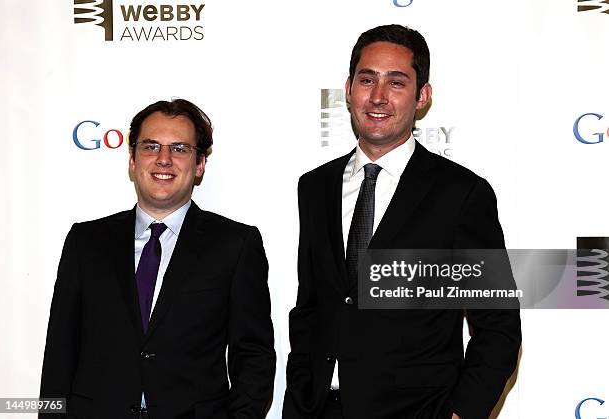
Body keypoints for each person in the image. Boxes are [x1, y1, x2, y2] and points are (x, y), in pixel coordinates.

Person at [283, 25, 521, 419]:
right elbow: (311, 307)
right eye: (367, 80)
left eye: (396, 82)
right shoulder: (315, 187)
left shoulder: (461, 193)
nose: (378, 97)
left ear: (422, 96)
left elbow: (498, 326)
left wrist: (461, 412)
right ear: (348, 89)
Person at [40, 99, 276, 418]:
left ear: (200, 164)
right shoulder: (86, 242)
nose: (163, 159)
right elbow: (59, 354)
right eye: (151, 146)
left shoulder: (235, 245)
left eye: (179, 149)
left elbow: (254, 355)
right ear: (133, 160)